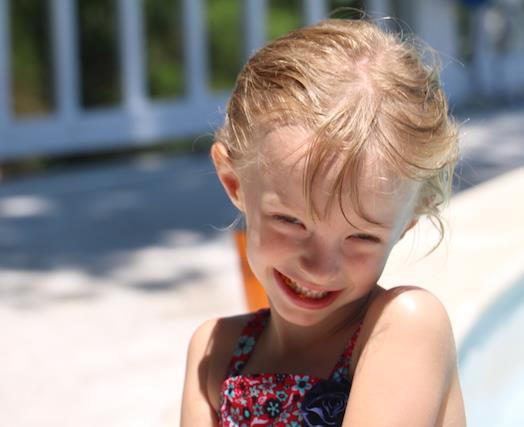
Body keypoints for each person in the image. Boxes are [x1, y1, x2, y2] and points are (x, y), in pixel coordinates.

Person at [181, 18, 466, 426]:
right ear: (234, 182)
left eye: (361, 236)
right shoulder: (215, 354)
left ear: (407, 223)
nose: (320, 267)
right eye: (290, 221)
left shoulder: (405, 327)